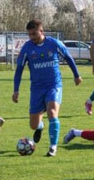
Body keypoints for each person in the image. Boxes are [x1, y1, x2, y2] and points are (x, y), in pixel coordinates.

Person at [13, 19, 82, 157]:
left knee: (52, 112)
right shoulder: (27, 48)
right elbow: (19, 69)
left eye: (34, 34)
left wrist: (76, 75)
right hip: (37, 88)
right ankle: (40, 126)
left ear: (41, 31)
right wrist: (16, 90)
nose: (32, 37)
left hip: (54, 85)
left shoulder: (54, 43)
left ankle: (52, 147)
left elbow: (68, 57)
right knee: (33, 125)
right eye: (30, 34)